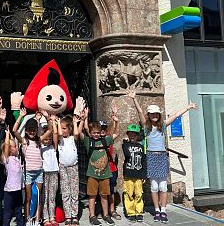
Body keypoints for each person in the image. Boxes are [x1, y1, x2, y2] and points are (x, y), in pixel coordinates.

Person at [127, 90, 197, 223]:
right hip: (152, 157)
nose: (154, 115)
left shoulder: (163, 126)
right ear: (149, 115)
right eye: (152, 113)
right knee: (154, 187)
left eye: (156, 113)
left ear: (159, 115)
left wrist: (188, 107)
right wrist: (134, 99)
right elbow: (140, 113)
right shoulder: (146, 127)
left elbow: (176, 115)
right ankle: (157, 210)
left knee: (163, 187)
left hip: (162, 157)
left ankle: (163, 210)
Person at [12, 108, 52, 226]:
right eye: (29, 130)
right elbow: (14, 131)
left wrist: (47, 117)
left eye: (34, 130)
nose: (31, 132)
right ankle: (28, 219)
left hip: (39, 171)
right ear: (26, 130)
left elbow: (50, 130)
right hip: (28, 172)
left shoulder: (39, 140)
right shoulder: (24, 141)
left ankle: (37, 219)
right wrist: (21, 117)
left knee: (38, 197)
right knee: (29, 197)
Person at [81, 107, 119, 226]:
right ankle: (92, 215)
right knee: (92, 196)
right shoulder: (88, 142)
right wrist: (84, 118)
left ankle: (106, 214)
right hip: (92, 174)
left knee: (104, 195)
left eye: (98, 132)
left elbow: (116, 134)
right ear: (91, 133)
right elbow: (80, 132)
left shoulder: (105, 141)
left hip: (105, 173)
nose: (96, 134)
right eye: (94, 133)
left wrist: (116, 121)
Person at [57, 114, 82, 226]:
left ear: (69, 129)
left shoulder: (72, 139)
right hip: (63, 168)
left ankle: (74, 215)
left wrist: (75, 122)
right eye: (61, 128)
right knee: (65, 192)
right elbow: (58, 133)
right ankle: (68, 215)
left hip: (73, 167)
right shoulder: (59, 139)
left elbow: (77, 133)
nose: (62, 131)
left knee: (74, 192)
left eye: (64, 128)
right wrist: (58, 123)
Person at [0, 125, 24, 226]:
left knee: (19, 212)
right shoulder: (7, 160)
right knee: (8, 213)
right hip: (9, 192)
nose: (16, 148)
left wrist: (10, 134)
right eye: (14, 147)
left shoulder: (17, 158)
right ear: (9, 149)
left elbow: (12, 141)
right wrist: (6, 134)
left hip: (18, 190)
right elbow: (6, 144)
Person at [122, 124, 146, 223]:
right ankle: (131, 212)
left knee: (139, 193)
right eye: (130, 134)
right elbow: (127, 154)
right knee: (129, 193)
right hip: (128, 173)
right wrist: (126, 143)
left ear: (138, 135)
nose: (132, 136)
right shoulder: (125, 145)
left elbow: (144, 161)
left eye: (134, 135)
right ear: (127, 135)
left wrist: (144, 174)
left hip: (139, 174)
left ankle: (139, 212)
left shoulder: (141, 146)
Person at [41, 115, 59, 226]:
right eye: (45, 139)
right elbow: (41, 137)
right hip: (44, 173)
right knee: (45, 196)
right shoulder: (40, 147)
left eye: (49, 139)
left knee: (52, 196)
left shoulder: (53, 147)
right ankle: (45, 218)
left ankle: (52, 217)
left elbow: (55, 134)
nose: (47, 141)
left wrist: (52, 121)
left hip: (54, 173)